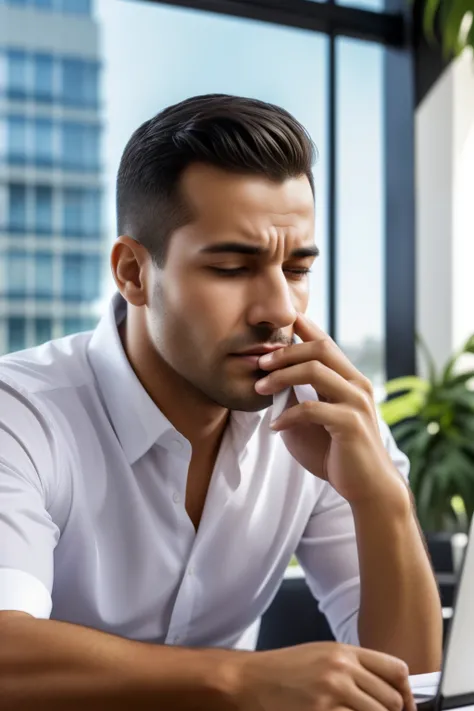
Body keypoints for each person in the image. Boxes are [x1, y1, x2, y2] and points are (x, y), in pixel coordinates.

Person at [0, 94, 441, 711]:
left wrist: (381, 500)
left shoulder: (328, 417)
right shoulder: (18, 413)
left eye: (296, 268)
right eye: (233, 267)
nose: (281, 311)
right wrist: (240, 679)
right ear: (132, 273)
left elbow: (409, 680)